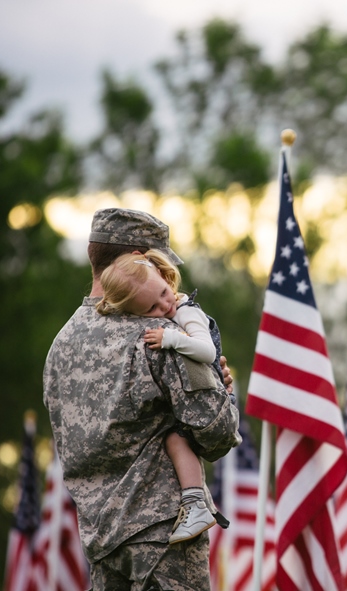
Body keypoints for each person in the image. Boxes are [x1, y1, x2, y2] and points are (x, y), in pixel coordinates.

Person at [43, 208, 240, 590]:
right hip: (166, 539)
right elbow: (218, 432)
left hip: (100, 540)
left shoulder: (61, 345)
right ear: (138, 259)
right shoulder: (159, 333)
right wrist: (222, 387)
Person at [96, 248, 225, 544]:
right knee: (171, 435)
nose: (165, 305)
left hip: (213, 396)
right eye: (152, 308)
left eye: (165, 292)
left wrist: (171, 338)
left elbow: (207, 351)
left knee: (175, 438)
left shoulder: (186, 311)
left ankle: (196, 505)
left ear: (165, 276)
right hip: (195, 389)